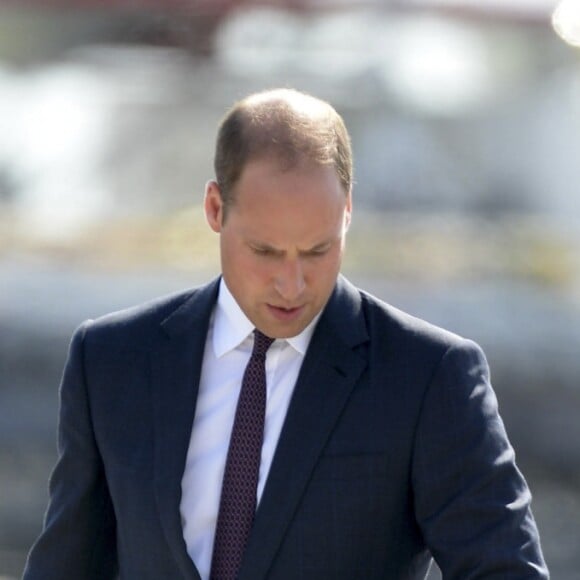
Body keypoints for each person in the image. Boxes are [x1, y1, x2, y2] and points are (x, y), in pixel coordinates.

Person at [23, 88, 548, 579]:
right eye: (266, 251)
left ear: (347, 214)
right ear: (214, 209)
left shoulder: (430, 377)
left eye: (318, 250)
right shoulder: (111, 361)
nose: (292, 284)